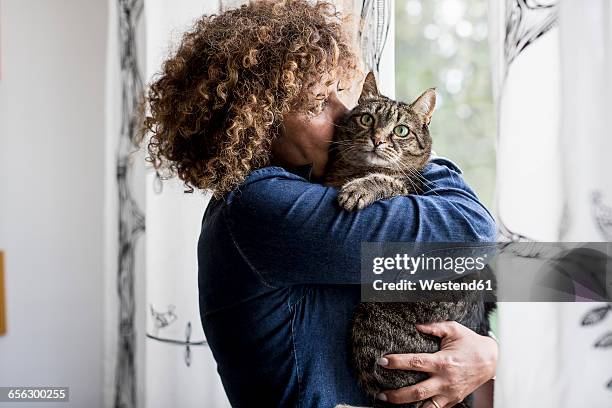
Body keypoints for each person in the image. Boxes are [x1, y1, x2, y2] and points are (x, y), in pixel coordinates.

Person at [143, 1, 498, 407]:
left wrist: (486, 352)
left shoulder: (302, 193)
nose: (347, 113)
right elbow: (473, 235)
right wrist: (410, 153)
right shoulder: (259, 207)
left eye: (337, 92)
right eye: (317, 103)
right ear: (257, 123)